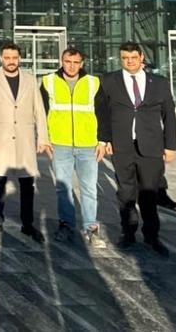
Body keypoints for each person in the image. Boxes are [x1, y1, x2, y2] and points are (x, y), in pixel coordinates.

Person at [95, 41, 176, 257]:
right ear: (120, 58)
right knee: (126, 192)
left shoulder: (159, 83)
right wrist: (104, 139)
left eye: (133, 57)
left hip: (151, 146)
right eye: (125, 58)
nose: (129, 62)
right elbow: (102, 113)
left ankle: (152, 235)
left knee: (149, 192)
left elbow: (169, 115)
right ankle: (128, 232)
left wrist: (171, 146)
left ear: (141, 57)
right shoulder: (108, 81)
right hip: (121, 146)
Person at [0, 42, 52, 243]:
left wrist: (43, 137)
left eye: (14, 58)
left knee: (27, 184)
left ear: (19, 58)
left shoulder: (30, 80)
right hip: (1, 138)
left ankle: (27, 224)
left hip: (25, 138)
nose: (11, 61)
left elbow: (39, 110)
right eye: (7, 58)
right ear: (1, 58)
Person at [40, 47, 105, 246]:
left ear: (82, 63)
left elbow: (103, 113)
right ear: (62, 61)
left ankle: (90, 228)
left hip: (88, 144)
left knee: (89, 188)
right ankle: (66, 225)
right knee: (63, 188)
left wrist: (103, 141)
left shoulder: (93, 83)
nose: (71, 66)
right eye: (68, 61)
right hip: (60, 144)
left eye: (76, 62)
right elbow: (41, 113)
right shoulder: (49, 81)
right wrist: (44, 139)